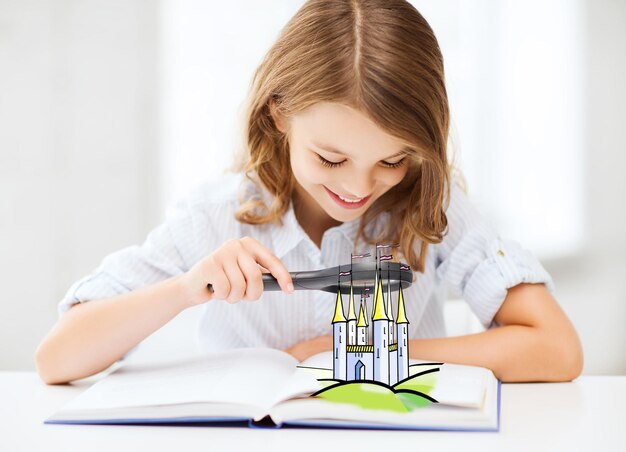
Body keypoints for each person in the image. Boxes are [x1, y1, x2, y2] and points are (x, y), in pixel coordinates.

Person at [35, 0, 583, 385]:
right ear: (278, 113)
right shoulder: (217, 216)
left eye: (392, 160)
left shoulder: (430, 209)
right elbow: (57, 358)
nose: (358, 186)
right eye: (331, 158)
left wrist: (360, 359)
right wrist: (184, 289)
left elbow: (557, 348)